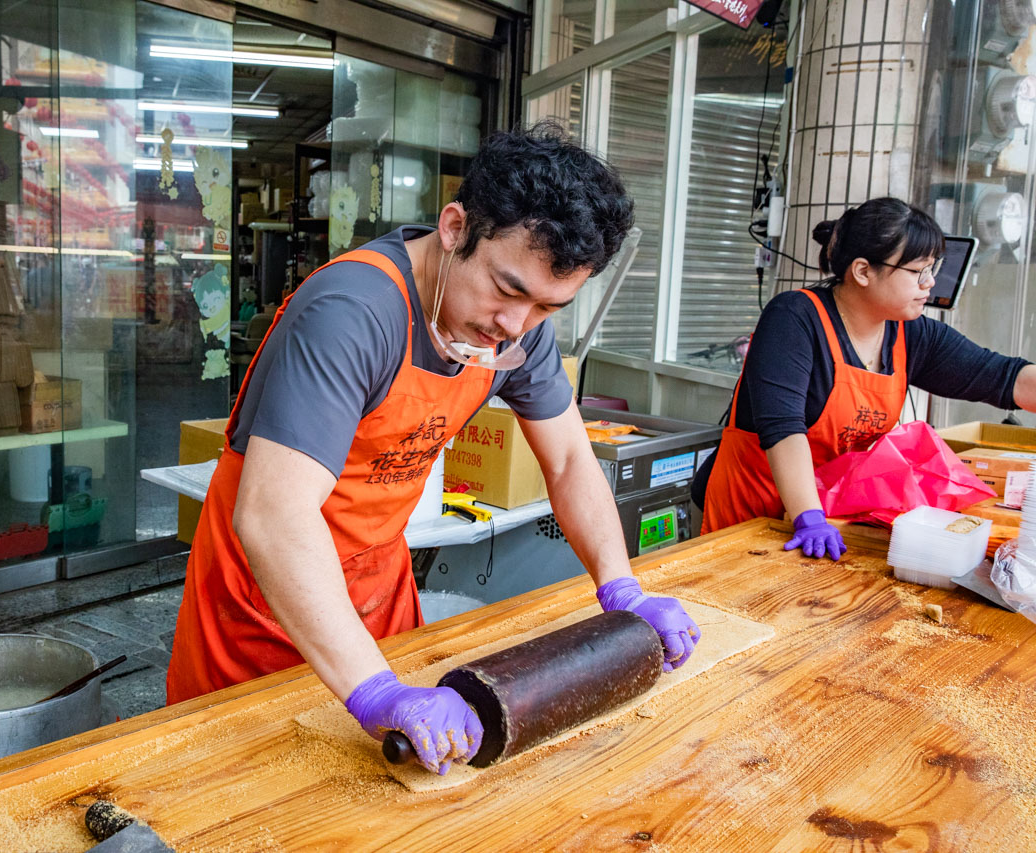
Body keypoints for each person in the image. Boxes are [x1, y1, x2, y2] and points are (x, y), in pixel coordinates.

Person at [165, 123, 701, 775]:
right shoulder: (353, 313)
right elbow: (274, 517)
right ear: (453, 228)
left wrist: (622, 586)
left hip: (377, 592)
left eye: (546, 306)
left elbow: (566, 460)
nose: (516, 326)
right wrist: (376, 689)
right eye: (506, 289)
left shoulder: (516, 332)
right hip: (263, 603)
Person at [697, 197, 1036, 558]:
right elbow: (783, 429)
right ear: (862, 271)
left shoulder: (912, 334)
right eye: (918, 271)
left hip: (830, 522)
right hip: (754, 517)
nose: (931, 282)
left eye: (933, 267)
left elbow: (1005, 377)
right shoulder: (794, 318)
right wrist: (808, 517)